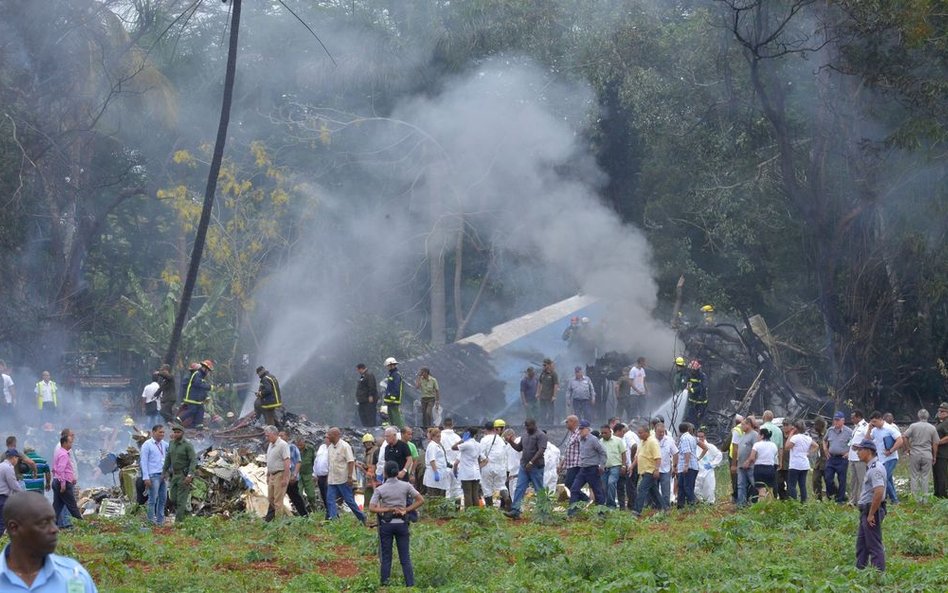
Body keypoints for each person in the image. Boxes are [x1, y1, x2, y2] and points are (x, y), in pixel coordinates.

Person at [0, 491, 98, 591]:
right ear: (14, 528)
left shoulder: (74, 576)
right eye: (44, 523)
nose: (55, 529)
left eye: (53, 521)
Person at [369, 461, 424, 587]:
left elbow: (372, 508)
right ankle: (410, 585)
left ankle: (385, 585)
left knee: (386, 557)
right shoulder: (406, 486)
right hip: (402, 524)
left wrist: (387, 509)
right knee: (405, 557)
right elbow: (421, 500)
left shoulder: (380, 489)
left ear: (385, 473)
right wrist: (407, 510)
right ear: (397, 472)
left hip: (386, 525)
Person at [853, 440, 887, 571]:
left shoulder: (875, 469)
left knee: (873, 543)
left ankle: (878, 573)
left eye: (860, 450)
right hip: (867, 510)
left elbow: (879, 491)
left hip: (871, 511)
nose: (857, 453)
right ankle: (860, 569)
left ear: (868, 451)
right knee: (862, 543)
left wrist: (872, 513)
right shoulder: (872, 468)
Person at [503, 419, 547, 519]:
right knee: (519, 488)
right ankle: (515, 510)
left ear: (534, 425)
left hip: (536, 466)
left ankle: (544, 512)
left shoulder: (541, 435)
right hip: (524, 466)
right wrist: (510, 442)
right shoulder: (525, 435)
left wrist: (531, 462)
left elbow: (541, 450)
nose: (527, 428)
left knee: (539, 489)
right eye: (526, 426)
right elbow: (519, 448)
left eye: (529, 426)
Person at [325, 427, 366, 524]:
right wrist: (328, 477)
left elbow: (350, 462)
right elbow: (330, 464)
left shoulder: (345, 446)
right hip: (332, 479)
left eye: (329, 435)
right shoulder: (330, 447)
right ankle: (334, 520)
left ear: (335, 435)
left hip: (343, 479)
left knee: (349, 500)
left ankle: (362, 517)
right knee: (330, 499)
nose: (327, 437)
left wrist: (350, 477)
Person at [566, 420, 606, 517]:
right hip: (583, 469)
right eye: (579, 429)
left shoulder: (593, 440)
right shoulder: (581, 439)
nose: (580, 431)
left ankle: (601, 514)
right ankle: (572, 513)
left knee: (598, 492)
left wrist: (602, 465)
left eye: (582, 429)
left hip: (593, 469)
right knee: (574, 489)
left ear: (588, 429)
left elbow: (602, 453)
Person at [865, 411, 901, 503]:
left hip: (890, 458)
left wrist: (891, 450)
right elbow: (867, 440)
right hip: (881, 459)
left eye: (875, 421)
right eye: (872, 422)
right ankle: (893, 498)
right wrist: (869, 429)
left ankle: (894, 500)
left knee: (883, 478)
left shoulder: (890, 428)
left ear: (881, 419)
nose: (873, 424)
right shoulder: (874, 430)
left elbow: (900, 440)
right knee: (888, 479)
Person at [901, 408, 938, 498]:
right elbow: (935, 443)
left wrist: (907, 448)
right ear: (928, 416)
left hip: (915, 453)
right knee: (925, 477)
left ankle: (914, 497)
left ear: (918, 416)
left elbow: (904, 436)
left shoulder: (913, 426)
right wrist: (934, 456)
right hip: (927, 454)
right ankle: (924, 498)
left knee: (914, 476)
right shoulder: (932, 428)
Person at [162, 423, 196, 521]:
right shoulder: (171, 443)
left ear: (182, 433)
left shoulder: (187, 445)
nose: (176, 434)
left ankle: (178, 522)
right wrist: (164, 471)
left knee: (181, 499)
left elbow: (193, 460)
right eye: (175, 432)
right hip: (174, 475)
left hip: (183, 475)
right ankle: (186, 514)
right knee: (173, 497)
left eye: (178, 432)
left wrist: (190, 475)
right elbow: (168, 458)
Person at [51, 434, 82, 529]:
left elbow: (54, 469)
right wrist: (63, 484)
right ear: (64, 443)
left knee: (57, 506)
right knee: (72, 505)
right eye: (70, 442)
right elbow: (61, 470)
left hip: (57, 481)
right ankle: (82, 524)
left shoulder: (58, 452)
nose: (71, 444)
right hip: (62, 483)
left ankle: (49, 525)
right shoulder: (64, 454)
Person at [139, 424, 168, 526]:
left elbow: (173, 451)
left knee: (163, 499)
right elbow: (143, 461)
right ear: (153, 432)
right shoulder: (147, 445)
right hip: (153, 476)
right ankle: (151, 521)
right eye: (160, 432)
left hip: (163, 476)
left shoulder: (164, 444)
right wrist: (146, 477)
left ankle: (160, 521)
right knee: (152, 499)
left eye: (163, 432)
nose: (162, 434)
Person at [632, 423, 664, 514]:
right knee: (653, 491)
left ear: (647, 432)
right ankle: (663, 508)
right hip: (643, 470)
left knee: (641, 489)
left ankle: (636, 510)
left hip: (650, 470)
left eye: (641, 433)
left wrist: (657, 469)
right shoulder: (642, 442)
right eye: (638, 433)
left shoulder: (653, 442)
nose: (639, 435)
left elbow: (658, 457)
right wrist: (631, 466)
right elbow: (638, 456)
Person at [823, 412, 853, 504]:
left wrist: (849, 452)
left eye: (838, 420)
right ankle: (831, 495)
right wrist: (825, 450)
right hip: (831, 458)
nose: (835, 422)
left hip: (842, 458)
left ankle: (840, 499)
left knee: (842, 479)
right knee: (828, 478)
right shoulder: (830, 430)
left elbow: (854, 443)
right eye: (834, 420)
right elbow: (824, 440)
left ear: (843, 421)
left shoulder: (849, 432)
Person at [263, 426, 291, 521]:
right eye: (266, 436)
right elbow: (269, 460)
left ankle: (278, 523)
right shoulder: (270, 444)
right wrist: (267, 474)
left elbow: (287, 461)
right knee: (270, 498)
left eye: (268, 436)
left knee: (278, 501)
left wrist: (285, 478)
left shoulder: (283, 445)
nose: (266, 438)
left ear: (274, 434)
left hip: (280, 474)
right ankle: (283, 517)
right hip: (272, 475)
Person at [480, 420, 509, 508]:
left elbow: (480, 453)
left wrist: (484, 460)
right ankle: (507, 499)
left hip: (487, 466)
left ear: (485, 429)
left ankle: (490, 509)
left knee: (486, 488)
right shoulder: (500, 439)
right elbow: (505, 454)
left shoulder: (484, 439)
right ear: (494, 428)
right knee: (502, 486)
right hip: (500, 467)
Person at [559, 416, 588, 504]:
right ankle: (578, 503)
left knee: (570, 484)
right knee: (571, 485)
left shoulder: (579, 433)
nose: (566, 424)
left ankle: (585, 499)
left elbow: (586, 446)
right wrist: (561, 464)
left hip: (577, 464)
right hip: (570, 464)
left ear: (573, 422)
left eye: (567, 422)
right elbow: (568, 451)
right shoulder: (571, 434)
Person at [785, 420, 816, 502]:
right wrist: (809, 453)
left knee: (792, 485)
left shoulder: (795, 438)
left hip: (795, 464)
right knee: (802, 485)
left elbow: (787, 446)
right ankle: (804, 502)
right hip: (804, 464)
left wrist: (791, 434)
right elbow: (816, 446)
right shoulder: (807, 438)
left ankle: (793, 501)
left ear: (796, 428)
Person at [178, 360, 213, 429]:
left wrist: (205, 396)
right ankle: (178, 419)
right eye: (208, 370)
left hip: (197, 399)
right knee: (192, 410)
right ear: (204, 368)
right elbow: (198, 385)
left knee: (200, 410)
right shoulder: (197, 374)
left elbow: (201, 389)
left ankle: (199, 426)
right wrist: (210, 387)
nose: (208, 372)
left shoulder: (200, 376)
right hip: (192, 398)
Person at [452, 428, 481, 509]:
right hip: (476, 472)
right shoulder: (478, 444)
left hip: (466, 473)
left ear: (467, 434)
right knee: (475, 494)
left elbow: (453, 447)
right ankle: (477, 513)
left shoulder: (466, 444)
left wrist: (462, 440)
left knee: (467, 493)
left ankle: (468, 513)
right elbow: (478, 459)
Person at [281, 432, 308, 517]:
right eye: (279, 435)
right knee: (276, 497)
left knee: (295, 497)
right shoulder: (278, 448)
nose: (280, 437)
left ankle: (304, 516)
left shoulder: (292, 447)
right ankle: (270, 518)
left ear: (287, 437)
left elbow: (298, 462)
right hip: (281, 477)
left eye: (282, 435)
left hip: (291, 477)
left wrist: (294, 474)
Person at [599, 424, 626, 508]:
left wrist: (624, 466)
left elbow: (623, 453)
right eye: (602, 433)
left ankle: (611, 505)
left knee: (611, 483)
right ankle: (607, 503)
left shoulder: (618, 440)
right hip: (604, 467)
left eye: (605, 433)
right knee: (604, 486)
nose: (603, 434)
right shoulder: (600, 442)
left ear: (610, 432)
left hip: (615, 466)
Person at [747, 427, 778, 500]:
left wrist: (753, 462)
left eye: (759, 435)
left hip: (759, 468)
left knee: (761, 490)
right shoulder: (773, 445)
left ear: (762, 435)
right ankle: (770, 508)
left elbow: (752, 457)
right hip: (770, 468)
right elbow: (775, 456)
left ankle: (761, 509)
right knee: (770, 490)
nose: (757, 436)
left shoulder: (757, 445)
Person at [734, 417, 758, 506]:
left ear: (748, 425)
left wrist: (749, 461)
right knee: (741, 485)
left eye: (743, 424)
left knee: (755, 484)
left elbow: (755, 450)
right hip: (741, 464)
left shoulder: (754, 435)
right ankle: (741, 504)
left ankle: (756, 503)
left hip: (751, 465)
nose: (741, 426)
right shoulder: (743, 435)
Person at [676, 422, 700, 507]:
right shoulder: (691, 437)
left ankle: (693, 503)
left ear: (679, 430)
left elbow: (687, 452)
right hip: (687, 466)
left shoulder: (685, 438)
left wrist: (686, 465)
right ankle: (680, 506)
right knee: (681, 486)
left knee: (687, 487)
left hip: (688, 467)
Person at [848, 410, 870, 505]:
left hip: (860, 457)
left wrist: (860, 447)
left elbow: (868, 439)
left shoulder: (865, 426)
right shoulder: (856, 427)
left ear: (858, 417)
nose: (852, 420)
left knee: (862, 479)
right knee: (853, 480)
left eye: (853, 418)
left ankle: (863, 499)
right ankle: (853, 500)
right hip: (852, 456)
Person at [695, 429, 723, 503]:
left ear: (705, 437)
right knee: (696, 488)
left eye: (702, 436)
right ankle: (700, 501)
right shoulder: (694, 447)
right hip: (697, 471)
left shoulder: (710, 446)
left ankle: (710, 502)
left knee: (709, 487)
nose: (700, 438)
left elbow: (719, 455)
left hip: (707, 470)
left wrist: (712, 464)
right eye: (698, 437)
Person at [655, 422, 678, 508]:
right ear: (655, 431)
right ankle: (656, 507)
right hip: (654, 469)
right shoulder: (651, 440)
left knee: (666, 490)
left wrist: (674, 467)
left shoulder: (669, 440)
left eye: (663, 432)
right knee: (655, 489)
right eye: (659, 432)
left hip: (666, 469)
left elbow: (675, 453)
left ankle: (666, 507)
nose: (661, 434)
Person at [0, 450, 23, 536]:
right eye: (17, 458)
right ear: (14, 458)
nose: (17, 461)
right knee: (2, 522)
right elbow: (13, 484)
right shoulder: (8, 468)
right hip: (3, 498)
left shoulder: (1, 465)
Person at [439, 419, 462, 500]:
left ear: (443, 425)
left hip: (444, 467)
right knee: (457, 490)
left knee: (446, 490)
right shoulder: (457, 437)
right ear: (453, 425)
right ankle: (458, 510)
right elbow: (461, 452)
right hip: (456, 467)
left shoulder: (439, 437)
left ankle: (447, 511)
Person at [295, 435, 318, 514]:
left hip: (308, 474)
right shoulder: (294, 450)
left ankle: (315, 510)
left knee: (311, 495)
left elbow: (315, 461)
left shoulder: (310, 449)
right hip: (298, 475)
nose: (299, 446)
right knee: (299, 494)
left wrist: (315, 474)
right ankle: (301, 512)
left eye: (300, 444)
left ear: (304, 442)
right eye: (298, 445)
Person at [423, 428, 448, 497]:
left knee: (440, 496)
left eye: (440, 436)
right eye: (437, 436)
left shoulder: (438, 445)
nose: (439, 438)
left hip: (441, 473)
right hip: (433, 474)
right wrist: (435, 472)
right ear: (432, 437)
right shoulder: (432, 446)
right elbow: (432, 460)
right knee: (434, 496)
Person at [382, 358, 404, 429]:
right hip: (390, 399)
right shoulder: (391, 374)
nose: (388, 367)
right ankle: (393, 428)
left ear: (392, 365)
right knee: (390, 415)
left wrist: (393, 397)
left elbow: (396, 386)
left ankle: (400, 429)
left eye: (388, 366)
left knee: (395, 415)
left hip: (394, 399)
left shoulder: (396, 375)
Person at [685, 360, 708, 427]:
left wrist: (693, 390)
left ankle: (699, 430)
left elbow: (703, 386)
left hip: (701, 402)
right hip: (692, 401)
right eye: (691, 369)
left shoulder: (702, 376)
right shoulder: (690, 375)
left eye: (693, 370)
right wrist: (688, 387)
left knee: (700, 419)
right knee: (690, 418)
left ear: (697, 369)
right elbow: (688, 382)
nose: (692, 371)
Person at [536, 359, 559, 425]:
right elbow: (540, 383)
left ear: (548, 365)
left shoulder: (553, 374)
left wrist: (554, 396)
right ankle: (543, 423)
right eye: (543, 365)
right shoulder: (542, 373)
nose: (544, 366)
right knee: (543, 411)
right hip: (542, 396)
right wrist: (537, 393)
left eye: (545, 365)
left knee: (550, 411)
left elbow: (556, 385)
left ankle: (550, 424)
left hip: (550, 396)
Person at [811, 417, 828, 501]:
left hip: (826, 462)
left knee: (829, 481)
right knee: (815, 480)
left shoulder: (827, 434)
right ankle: (818, 499)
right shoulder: (819, 436)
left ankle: (834, 497)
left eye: (816, 425)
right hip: (818, 463)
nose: (814, 427)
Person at [728, 415, 744, 503]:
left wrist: (733, 464)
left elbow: (733, 446)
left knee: (735, 478)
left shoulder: (736, 430)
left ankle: (736, 497)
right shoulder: (747, 429)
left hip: (734, 457)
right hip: (744, 456)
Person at [313, 436, 330, 518]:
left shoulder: (332, 448)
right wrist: (315, 474)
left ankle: (331, 514)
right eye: (325, 437)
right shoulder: (322, 447)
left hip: (328, 476)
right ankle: (329, 512)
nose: (325, 439)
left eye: (327, 437)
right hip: (320, 476)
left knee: (328, 495)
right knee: (323, 495)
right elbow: (317, 460)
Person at [936, 403, 948, 498]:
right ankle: (937, 493)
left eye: (942, 411)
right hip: (937, 453)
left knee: (942, 475)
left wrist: (937, 442)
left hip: (943, 453)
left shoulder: (946, 423)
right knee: (937, 474)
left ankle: (943, 495)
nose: (940, 413)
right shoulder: (940, 423)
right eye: (939, 411)